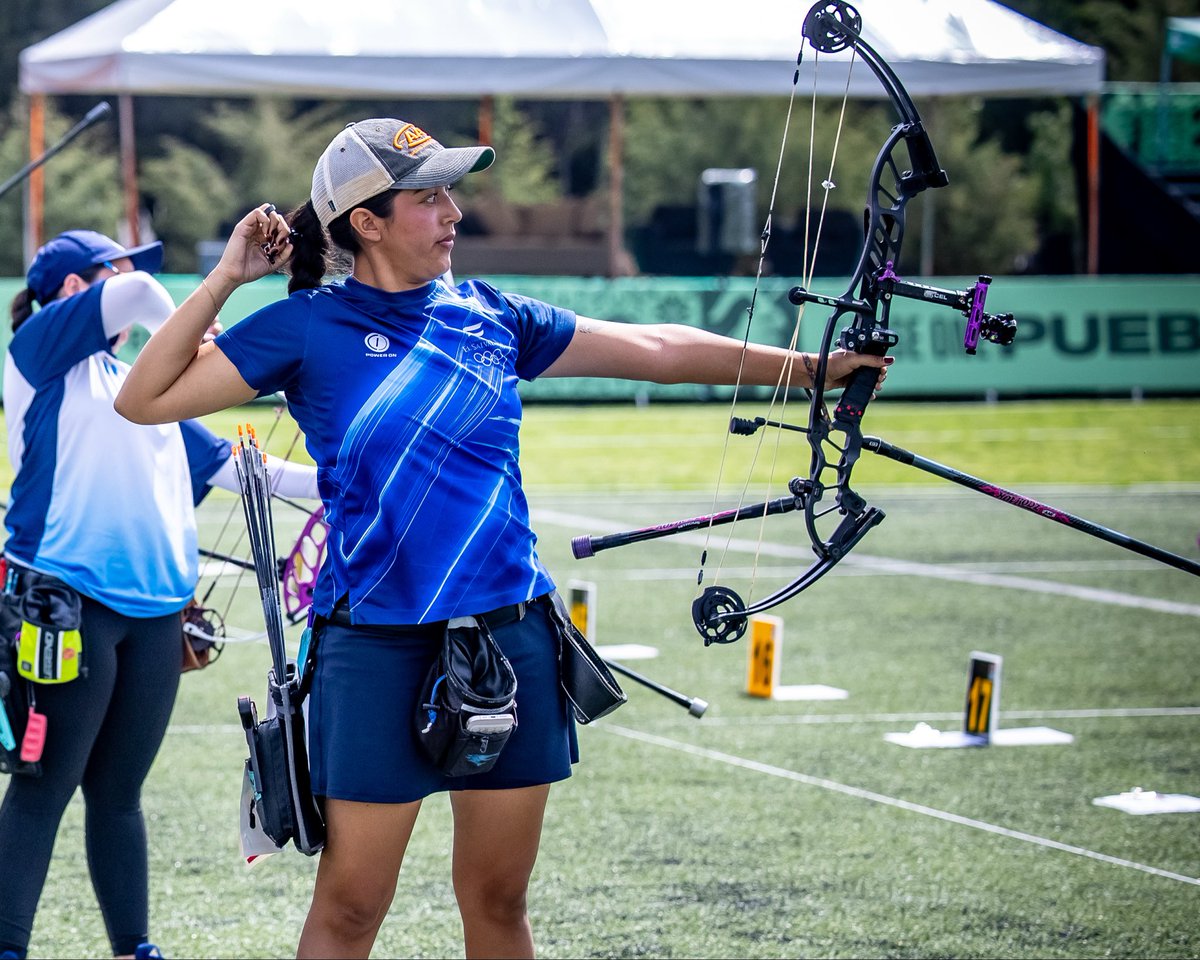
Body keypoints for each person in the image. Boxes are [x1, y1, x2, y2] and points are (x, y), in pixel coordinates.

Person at [114, 117, 891, 959]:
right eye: (429, 196)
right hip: (373, 646)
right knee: (350, 909)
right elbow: (144, 400)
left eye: (452, 192)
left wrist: (812, 371)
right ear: (366, 222)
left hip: (510, 636)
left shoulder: (491, 315)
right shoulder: (306, 326)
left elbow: (658, 348)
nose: (454, 212)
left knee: (498, 901)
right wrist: (229, 277)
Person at [0, 230, 318, 960]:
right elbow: (146, 297)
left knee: (119, 795)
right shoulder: (41, 357)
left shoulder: (142, 383)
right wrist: (197, 324)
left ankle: (134, 948)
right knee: (43, 789)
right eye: (115, 268)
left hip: (154, 619)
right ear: (76, 291)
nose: (134, 281)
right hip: (65, 606)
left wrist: (334, 483)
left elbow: (245, 470)